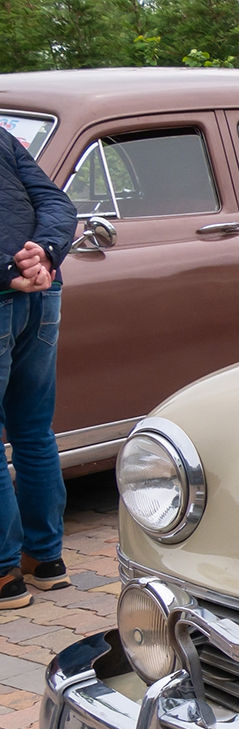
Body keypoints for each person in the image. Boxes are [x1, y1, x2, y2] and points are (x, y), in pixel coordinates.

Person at [0, 126, 77, 609]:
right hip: (42, 292)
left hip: (13, 288)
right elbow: (58, 204)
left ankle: (4, 573)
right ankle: (45, 560)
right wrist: (44, 254)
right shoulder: (3, 138)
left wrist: (17, 268)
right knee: (32, 429)